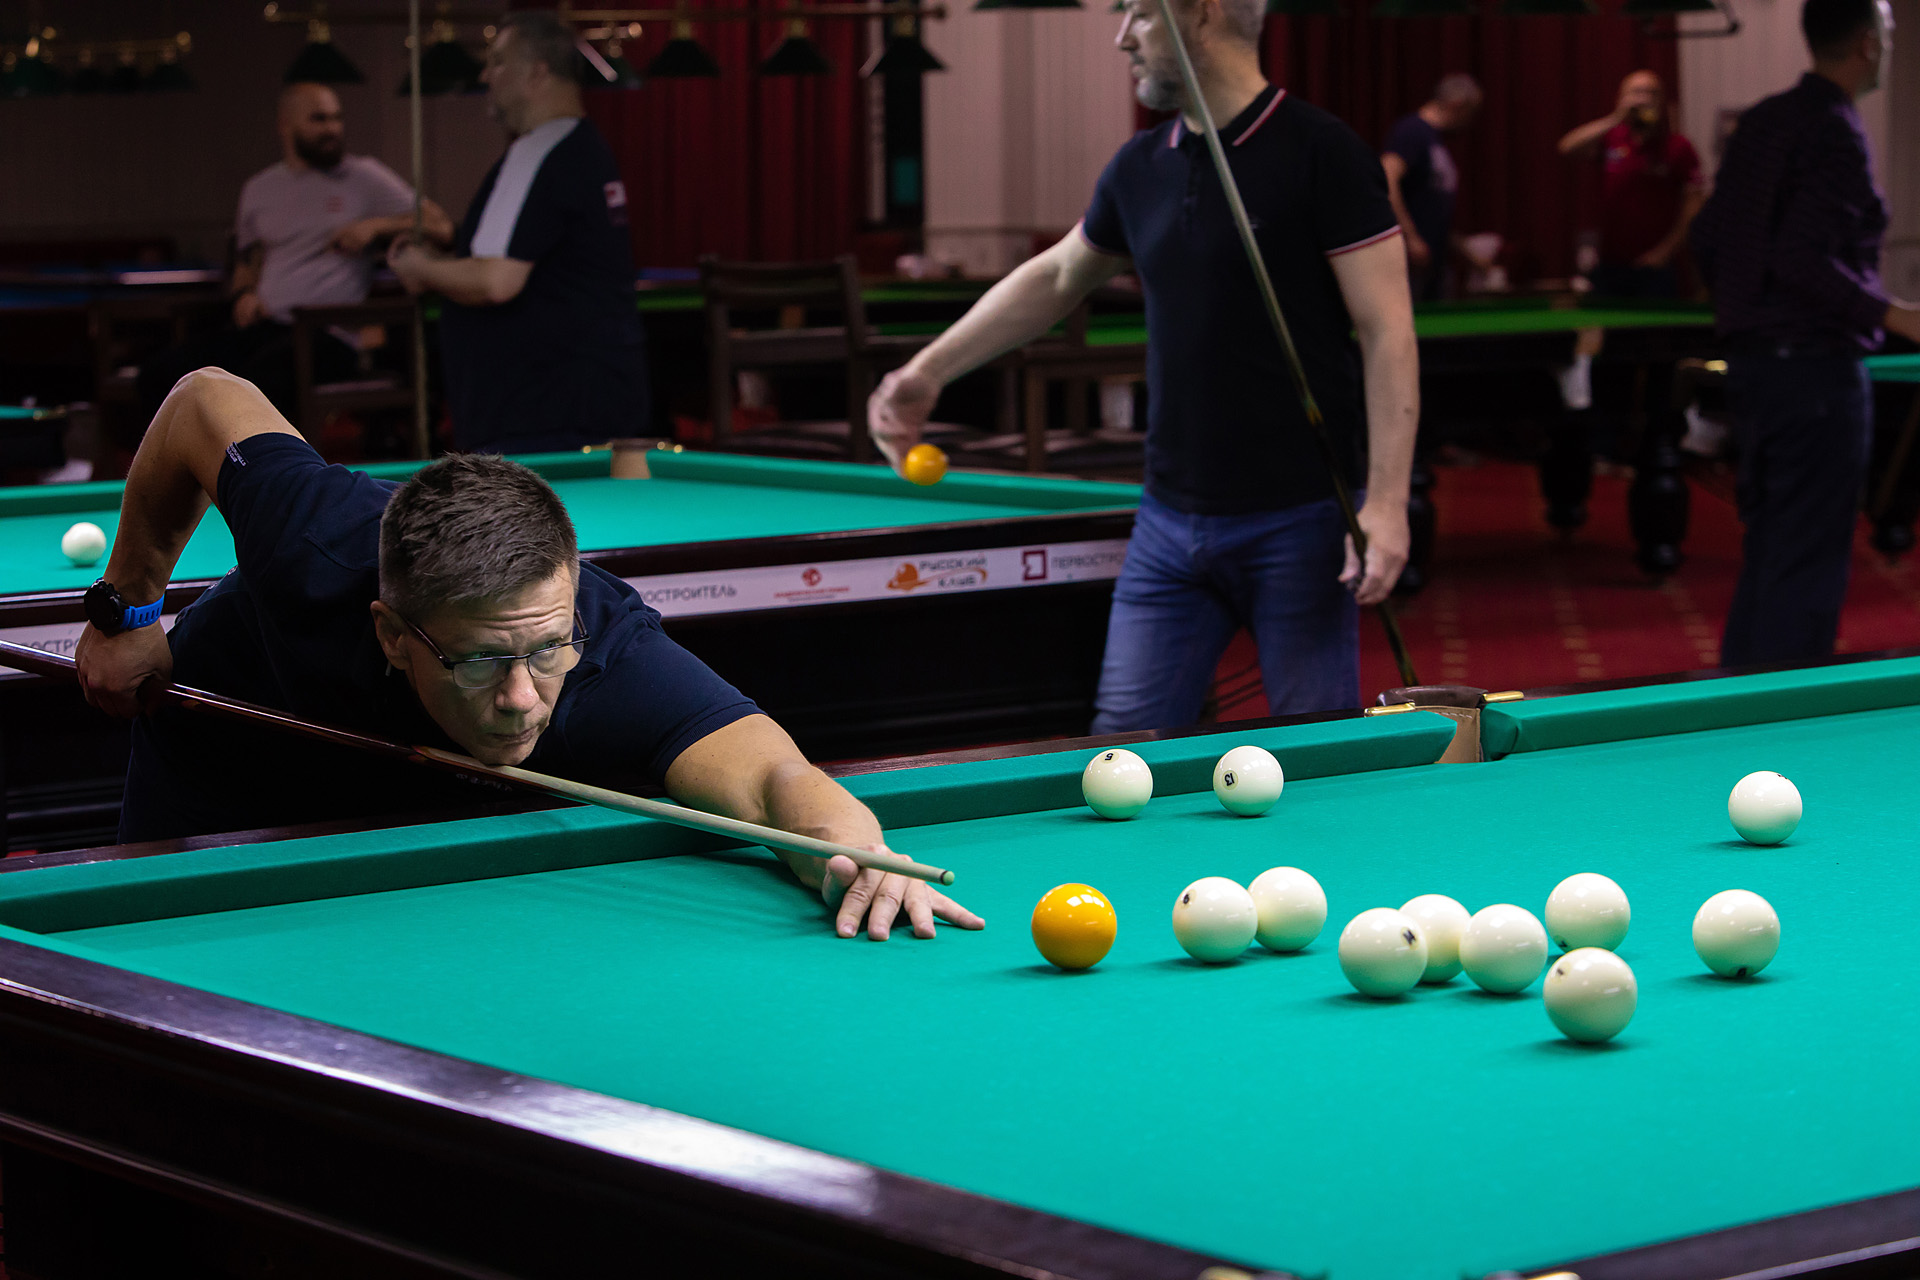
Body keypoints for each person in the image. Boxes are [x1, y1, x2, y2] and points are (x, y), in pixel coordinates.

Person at [73, 370, 980, 943]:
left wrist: (847, 845)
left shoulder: (607, 653)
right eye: (477, 660)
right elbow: (203, 400)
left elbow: (775, 779)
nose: (520, 698)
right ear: (393, 634)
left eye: (545, 650)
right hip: (223, 747)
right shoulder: (314, 538)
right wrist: (128, 608)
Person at [869, 0, 1418, 730]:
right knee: (1121, 757)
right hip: (1167, 525)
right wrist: (926, 373)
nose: (1121, 37)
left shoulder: (1323, 152)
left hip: (1302, 524)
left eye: (1138, 14)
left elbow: (1388, 332)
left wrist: (1387, 503)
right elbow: (1057, 277)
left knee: (1319, 758)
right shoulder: (1139, 165)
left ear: (1202, 15)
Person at [1691, 0, 1920, 667]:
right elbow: (1800, 259)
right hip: (1815, 375)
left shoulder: (1766, 119)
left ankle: (1743, 701)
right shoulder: (1833, 129)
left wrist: (1749, 317)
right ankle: (1786, 709)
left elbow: (1709, 237)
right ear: (1868, 43)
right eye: (1889, 32)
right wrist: (1896, 315)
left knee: (1773, 548)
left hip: (1756, 370)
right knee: (1807, 560)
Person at [388, 11, 647, 454]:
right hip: (577, 403)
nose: (485, 75)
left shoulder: (539, 151)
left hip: (543, 416)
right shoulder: (582, 146)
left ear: (536, 73)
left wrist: (420, 268)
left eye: (498, 61)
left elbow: (495, 281)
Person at [137, 83, 453, 424]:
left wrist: (375, 226)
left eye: (337, 118)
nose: (332, 129)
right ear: (285, 125)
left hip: (327, 334)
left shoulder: (363, 176)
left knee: (259, 380)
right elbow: (246, 262)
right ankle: (182, 458)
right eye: (319, 119)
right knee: (162, 374)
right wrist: (244, 293)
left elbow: (441, 226)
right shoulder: (259, 189)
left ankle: (250, 459)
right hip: (268, 326)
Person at [1558, 70, 1705, 299]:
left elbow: (1694, 206)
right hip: (1610, 264)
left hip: (1656, 267)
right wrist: (1616, 118)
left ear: (1661, 100)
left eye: (1651, 92)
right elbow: (1568, 148)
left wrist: (1665, 252)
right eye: (1636, 92)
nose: (1643, 98)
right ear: (1621, 98)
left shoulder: (1678, 147)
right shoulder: (1612, 139)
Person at [1381, 74, 1485, 302]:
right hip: (1411, 262)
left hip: (1433, 261)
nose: (1470, 121)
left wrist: (1466, 253)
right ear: (1457, 105)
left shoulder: (1435, 140)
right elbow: (1387, 178)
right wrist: (1410, 237)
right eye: (1471, 113)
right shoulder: (1412, 131)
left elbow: (1433, 209)